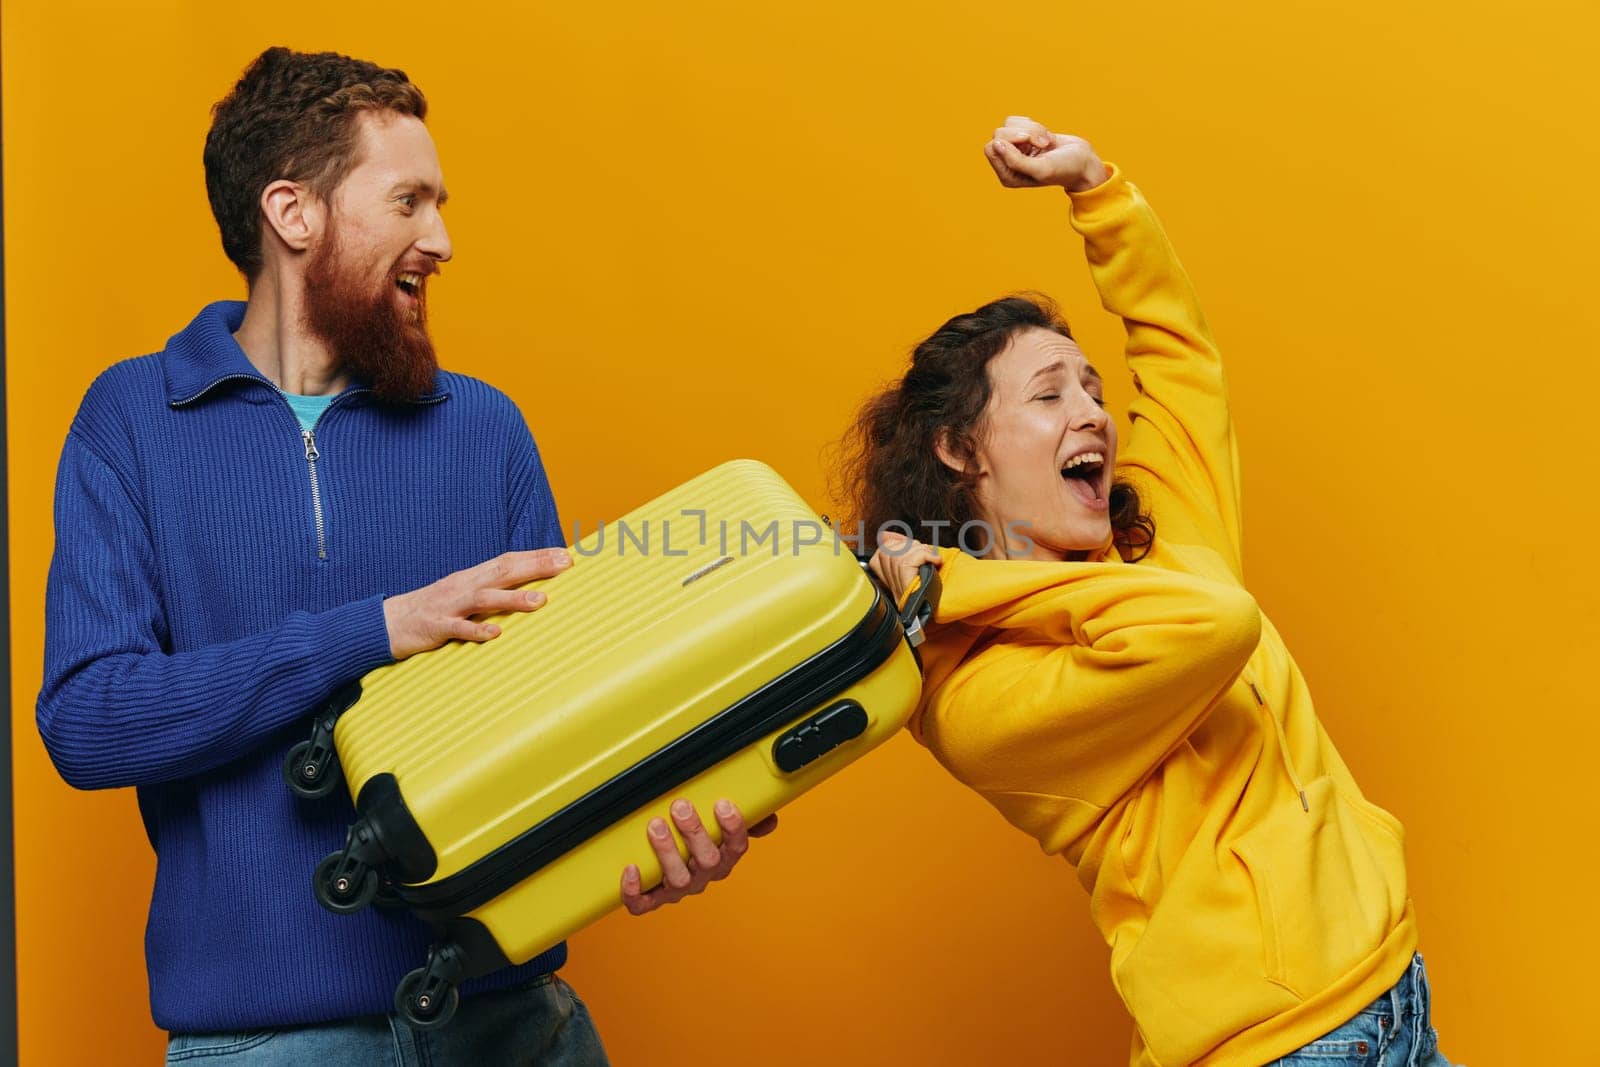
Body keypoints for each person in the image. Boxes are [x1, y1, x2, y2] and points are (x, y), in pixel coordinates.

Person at [35, 47, 771, 1064]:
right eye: (409, 202)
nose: (444, 239)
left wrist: (657, 828)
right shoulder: (133, 420)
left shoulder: (485, 428)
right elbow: (89, 718)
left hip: (518, 1026)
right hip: (266, 1043)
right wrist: (373, 631)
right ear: (295, 215)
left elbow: (571, 711)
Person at [857, 117, 1457, 1066]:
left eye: (1092, 389)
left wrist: (1098, 193)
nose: (1094, 410)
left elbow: (1180, 358)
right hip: (1275, 1049)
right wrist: (964, 588)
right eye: (1050, 395)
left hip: (1395, 990)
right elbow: (1210, 628)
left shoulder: (1160, 530)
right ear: (958, 448)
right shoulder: (974, 699)